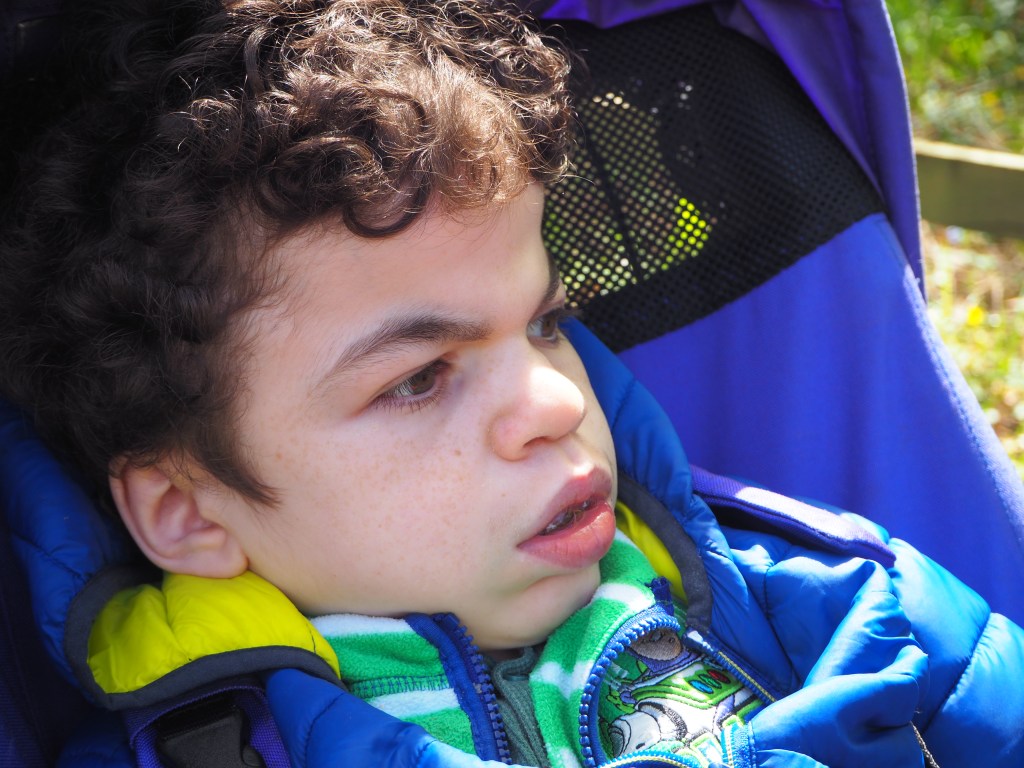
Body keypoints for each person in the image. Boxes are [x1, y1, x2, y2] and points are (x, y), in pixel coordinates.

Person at [1, 1, 1022, 766]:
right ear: (187, 510)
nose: (556, 403)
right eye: (417, 380)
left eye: (545, 324)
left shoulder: (833, 602)